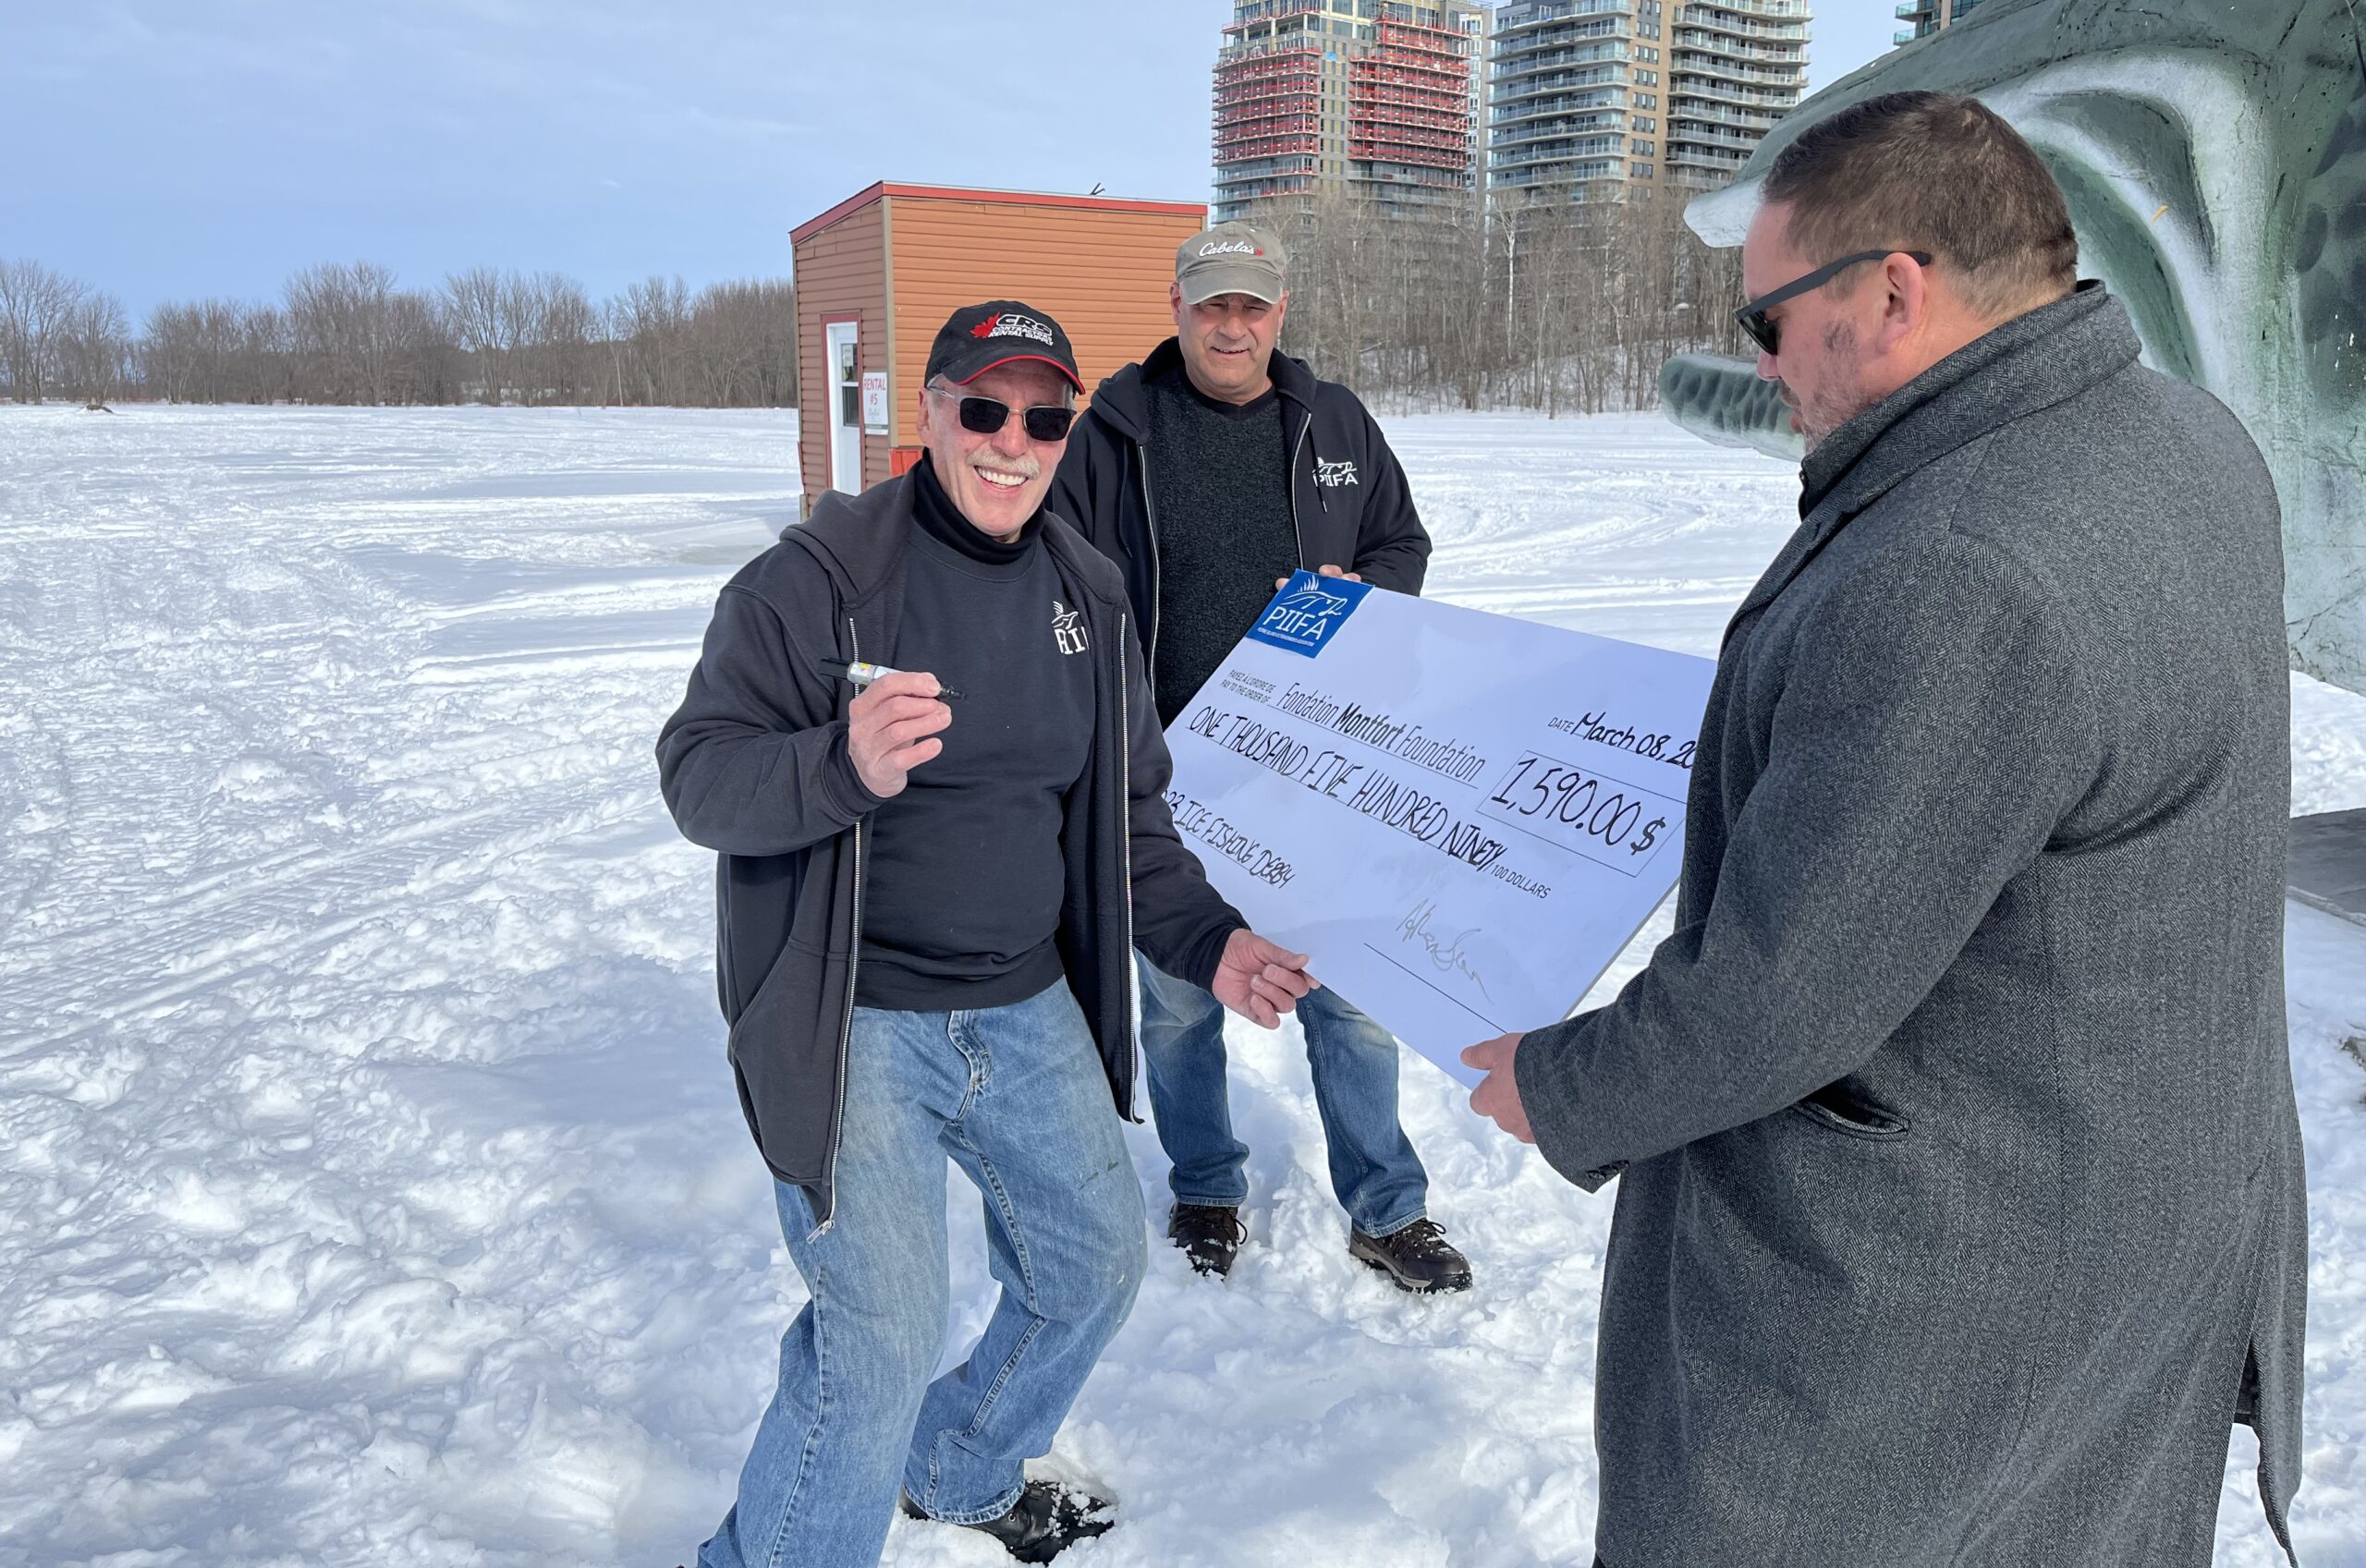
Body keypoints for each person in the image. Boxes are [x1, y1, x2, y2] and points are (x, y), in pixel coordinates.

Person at [1461, 91, 2308, 1567]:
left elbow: (1779, 998)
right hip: (2135, 1203)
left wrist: (1562, 1084)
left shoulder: (1958, 568)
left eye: (1769, 321)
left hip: (1934, 1296)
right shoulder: (2182, 434)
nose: (1761, 361)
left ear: (1895, 292)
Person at [657, 300, 1317, 1568]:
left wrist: (1209, 942)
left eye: (1045, 419)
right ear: (929, 412)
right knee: (879, 1338)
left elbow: (1130, 817)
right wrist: (838, 764)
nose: (1013, 443)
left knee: (1090, 1268)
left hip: (1024, 1004)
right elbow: (699, 777)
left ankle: (957, 1464)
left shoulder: (1089, 592)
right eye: (984, 409)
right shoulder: (817, 583)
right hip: (854, 1017)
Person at [1048, 222, 1469, 1294]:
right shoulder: (1114, 432)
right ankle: (1205, 1185)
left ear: (1278, 312)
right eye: (1211, 305)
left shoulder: (1332, 421)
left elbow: (1400, 542)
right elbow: (1056, 577)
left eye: (1250, 307)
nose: (1230, 326)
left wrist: (1363, 599)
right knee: (1181, 1005)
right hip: (1169, 776)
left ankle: (1387, 1209)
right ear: (1178, 307)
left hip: (1318, 772)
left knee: (1349, 1001)